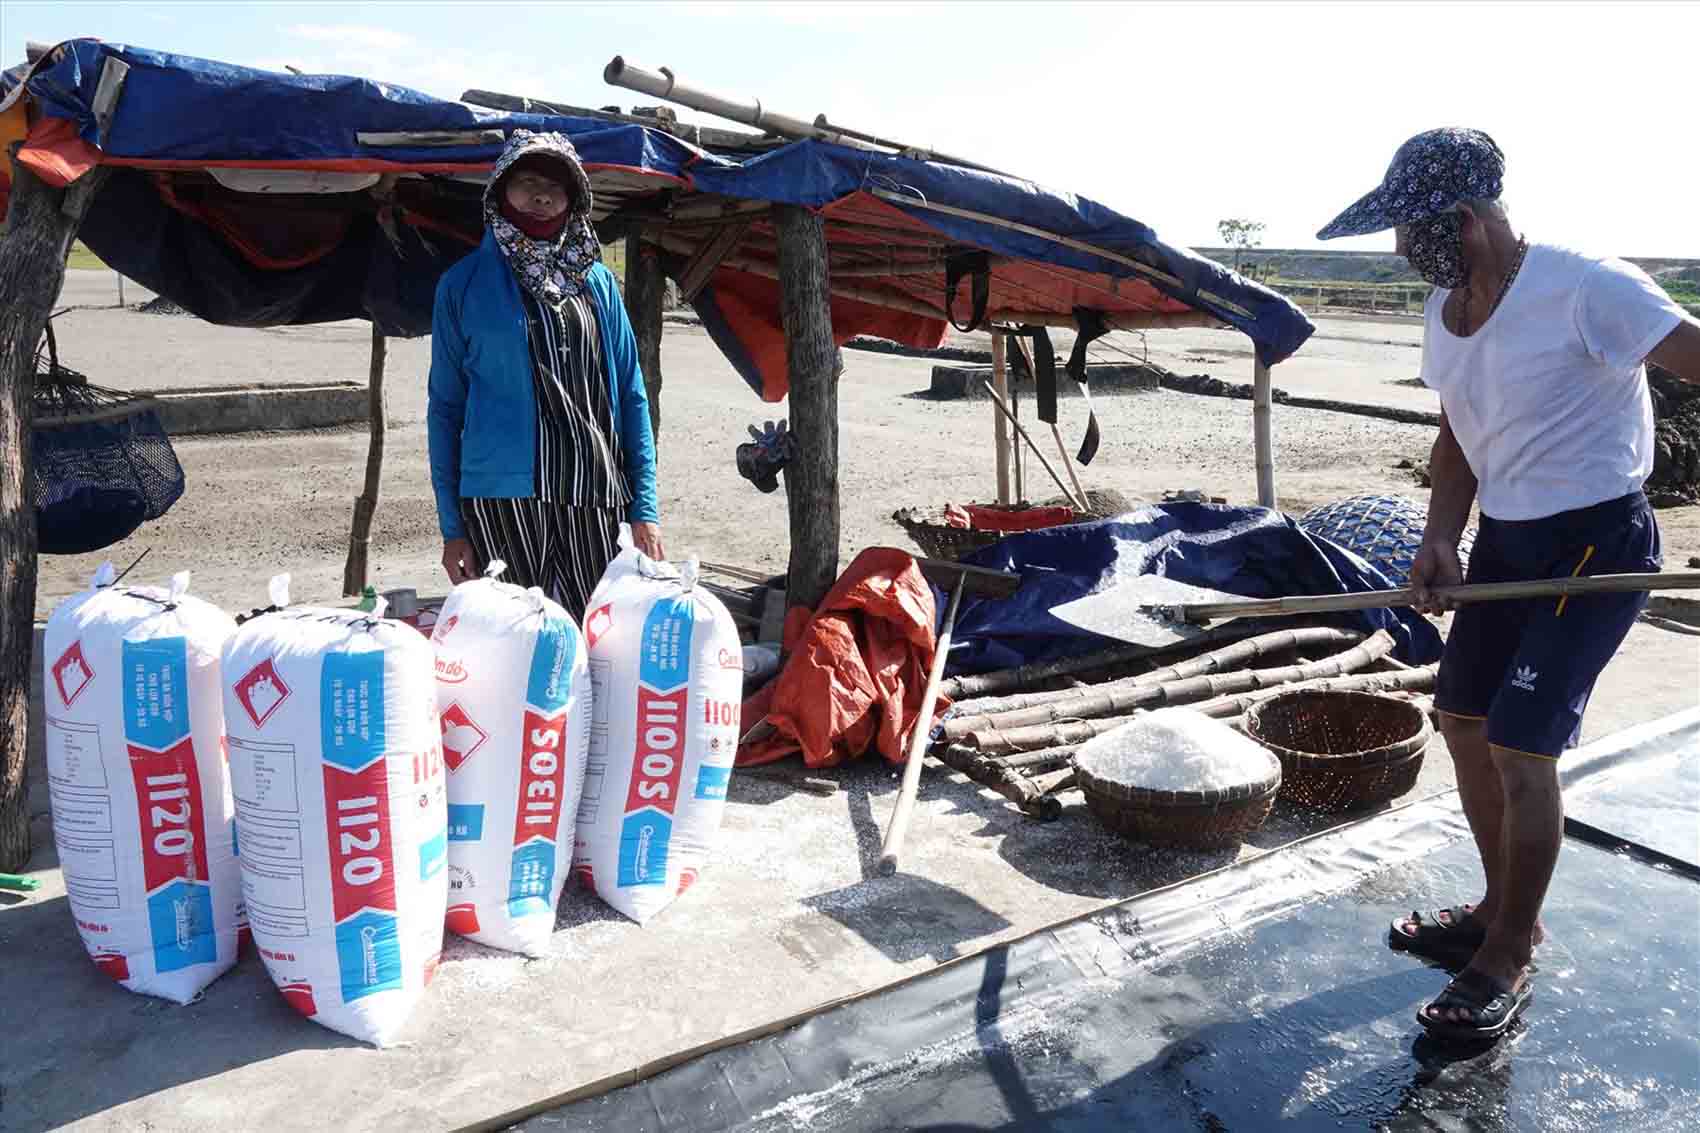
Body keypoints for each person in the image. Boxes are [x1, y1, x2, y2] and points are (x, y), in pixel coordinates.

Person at [1317, 128, 1700, 1042]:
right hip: (1505, 545)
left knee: (1525, 746)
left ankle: (1511, 951)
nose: (1401, 252)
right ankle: (1496, 907)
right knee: (1463, 721)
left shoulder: (1586, 287)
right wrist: (1441, 537)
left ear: (1462, 219)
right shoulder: (1447, 307)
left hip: (1594, 546)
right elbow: (1459, 430)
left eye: (1409, 231)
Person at [428, 130, 662, 617]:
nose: (541, 196)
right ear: (499, 190)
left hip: (594, 491)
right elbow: (446, 409)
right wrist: (453, 529)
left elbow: (631, 394)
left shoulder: (596, 282)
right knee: (509, 642)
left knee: (600, 637)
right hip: (501, 501)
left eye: (555, 188)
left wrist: (645, 507)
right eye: (528, 182)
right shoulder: (463, 286)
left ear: (573, 201)